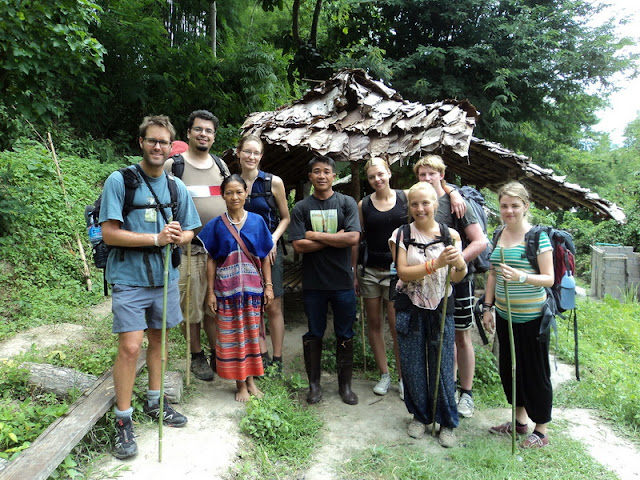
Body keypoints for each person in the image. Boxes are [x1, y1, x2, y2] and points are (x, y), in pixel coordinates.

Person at [99, 115, 201, 460]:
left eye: (164, 142)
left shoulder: (176, 187)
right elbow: (109, 233)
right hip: (129, 277)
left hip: (165, 278)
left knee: (159, 339)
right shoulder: (120, 181)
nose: (158, 147)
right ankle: (123, 420)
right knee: (130, 347)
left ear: (172, 147)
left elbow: (190, 230)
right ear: (141, 142)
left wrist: (178, 236)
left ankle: (156, 402)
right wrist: (155, 238)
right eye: (152, 141)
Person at [389, 181, 467, 448]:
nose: (420, 209)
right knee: (412, 364)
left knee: (443, 365)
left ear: (435, 204)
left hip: (441, 307)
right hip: (410, 306)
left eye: (425, 203)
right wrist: (437, 263)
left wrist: (458, 263)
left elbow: (457, 276)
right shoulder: (401, 234)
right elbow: (403, 272)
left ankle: (446, 421)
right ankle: (420, 416)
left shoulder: (450, 235)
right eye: (414, 203)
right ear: (408, 206)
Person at [481, 181, 554, 449]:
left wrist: (522, 276)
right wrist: (487, 308)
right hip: (504, 315)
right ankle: (520, 421)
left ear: (526, 206)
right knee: (510, 370)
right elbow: (492, 274)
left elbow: (549, 278)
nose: (509, 210)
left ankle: (541, 431)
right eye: (504, 205)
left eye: (514, 205)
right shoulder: (499, 233)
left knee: (535, 372)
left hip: (533, 318)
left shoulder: (537, 237)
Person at [414, 155, 487, 418]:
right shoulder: (421, 205)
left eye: (431, 174)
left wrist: (455, 263)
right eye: (422, 175)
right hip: (432, 282)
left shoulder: (458, 203)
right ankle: (447, 388)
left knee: (461, 335)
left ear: (441, 175)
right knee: (442, 337)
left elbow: (479, 242)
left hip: (460, 280)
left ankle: (466, 393)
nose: (427, 178)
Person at [289, 155, 361, 405]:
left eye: (326, 171)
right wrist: (335, 237)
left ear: (333, 176)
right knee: (314, 333)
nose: (321, 176)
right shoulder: (301, 207)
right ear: (310, 177)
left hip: (342, 281)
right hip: (314, 284)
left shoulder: (346, 202)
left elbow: (353, 239)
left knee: (345, 332)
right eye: (316, 171)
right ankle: (314, 386)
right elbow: (298, 245)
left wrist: (315, 235)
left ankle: (346, 387)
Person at [164, 110, 230, 381]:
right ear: (188, 132)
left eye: (209, 131)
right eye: (199, 129)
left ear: (214, 137)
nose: (204, 134)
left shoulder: (220, 166)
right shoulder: (174, 166)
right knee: (190, 308)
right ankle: (196, 354)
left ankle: (218, 353)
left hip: (219, 249)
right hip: (188, 250)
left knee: (214, 306)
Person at [199, 174, 274, 402]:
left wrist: (268, 287)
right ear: (223, 196)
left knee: (252, 336)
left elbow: (264, 257)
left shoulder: (257, 221)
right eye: (229, 192)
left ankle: (251, 381)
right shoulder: (216, 225)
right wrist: (210, 292)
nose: (234, 197)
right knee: (233, 338)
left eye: (239, 192)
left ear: (246, 193)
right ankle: (240, 384)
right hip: (226, 292)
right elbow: (211, 259)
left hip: (252, 292)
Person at [352, 158, 406, 398]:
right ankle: (384, 374)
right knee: (374, 324)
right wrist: (354, 270)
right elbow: (357, 238)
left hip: (398, 272)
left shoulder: (405, 198)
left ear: (389, 173)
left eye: (380, 174)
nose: (377, 180)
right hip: (370, 270)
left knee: (396, 327)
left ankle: (404, 377)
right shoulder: (363, 204)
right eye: (372, 176)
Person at [237, 134, 290, 374]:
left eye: (256, 153)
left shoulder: (273, 182)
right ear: (239, 153)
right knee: (251, 305)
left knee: (273, 305)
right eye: (247, 151)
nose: (251, 156)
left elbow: (285, 217)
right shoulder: (232, 182)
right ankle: (261, 354)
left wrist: (273, 240)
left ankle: (277, 359)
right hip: (240, 253)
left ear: (261, 156)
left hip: (268, 251)